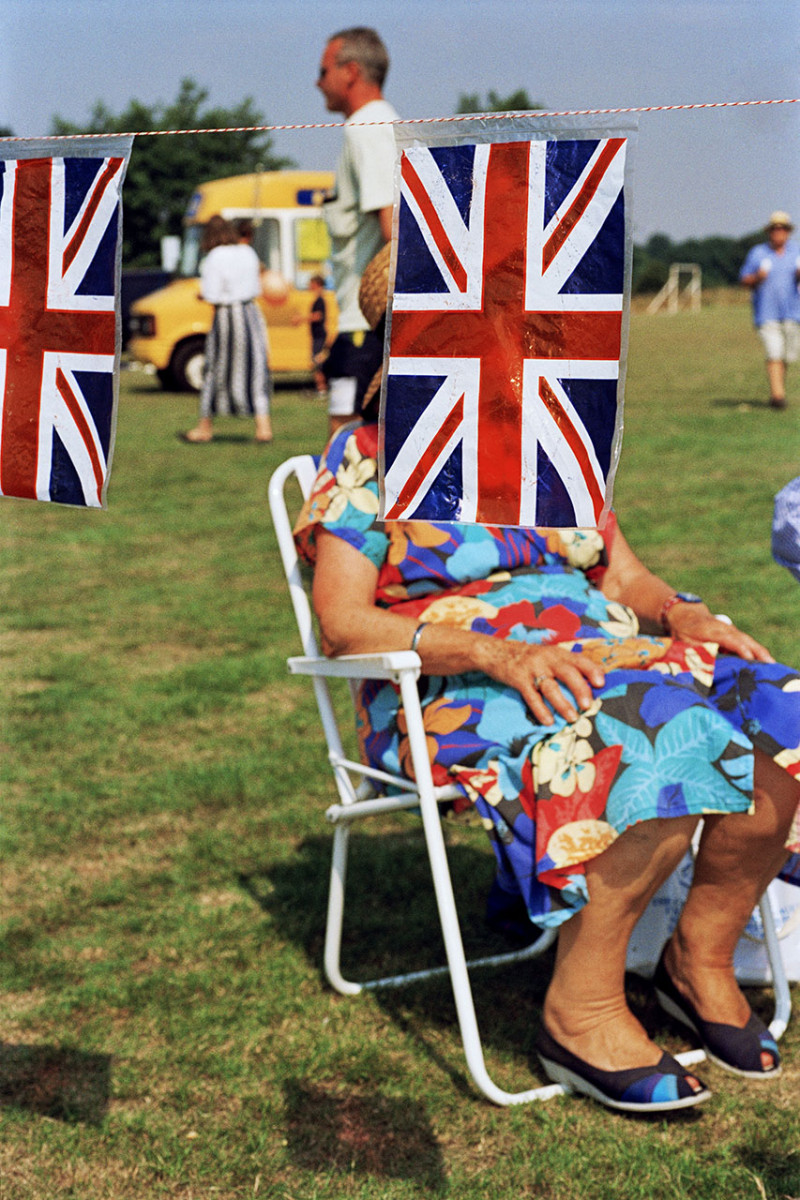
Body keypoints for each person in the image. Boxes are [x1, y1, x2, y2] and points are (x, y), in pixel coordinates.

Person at [293, 246, 800, 1115]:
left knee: (782, 712)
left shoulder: (549, 447)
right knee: (654, 733)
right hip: (453, 686)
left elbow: (621, 579)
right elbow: (343, 623)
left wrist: (680, 612)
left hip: (604, 658)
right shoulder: (368, 457)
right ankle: (581, 1011)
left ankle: (698, 959)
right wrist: (494, 650)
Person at [316, 26, 398, 435]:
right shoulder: (377, 126)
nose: (317, 82)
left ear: (350, 71)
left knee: (346, 449)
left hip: (367, 328)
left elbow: (393, 226)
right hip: (358, 327)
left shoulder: (369, 127)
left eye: (323, 70)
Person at [181, 215, 273, 444]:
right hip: (250, 313)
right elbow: (256, 285)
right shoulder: (247, 252)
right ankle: (263, 427)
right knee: (255, 367)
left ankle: (205, 427)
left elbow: (211, 292)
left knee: (215, 368)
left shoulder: (214, 256)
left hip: (226, 315)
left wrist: (203, 295)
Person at [739, 211, 800, 409]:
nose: (778, 232)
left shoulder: (797, 252)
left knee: (785, 355)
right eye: (775, 228)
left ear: (788, 231)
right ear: (769, 231)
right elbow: (744, 279)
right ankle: (777, 396)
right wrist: (758, 277)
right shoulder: (758, 253)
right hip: (767, 313)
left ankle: (778, 389)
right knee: (774, 353)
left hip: (793, 313)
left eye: (782, 228)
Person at [292, 273, 329, 396]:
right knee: (317, 362)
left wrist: (301, 319)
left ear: (317, 284)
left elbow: (318, 316)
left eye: (311, 283)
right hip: (317, 336)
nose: (309, 286)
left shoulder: (320, 300)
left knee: (317, 362)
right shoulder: (318, 299)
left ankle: (322, 388)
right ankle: (321, 388)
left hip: (319, 336)